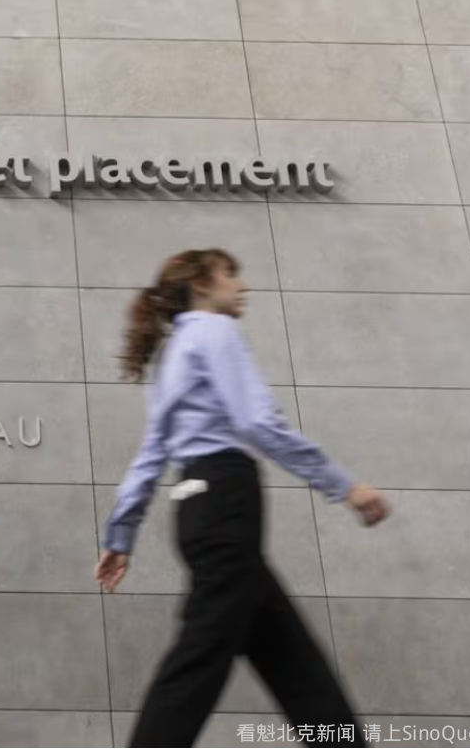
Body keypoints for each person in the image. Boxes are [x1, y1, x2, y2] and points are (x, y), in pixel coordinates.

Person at [95, 248, 390, 748]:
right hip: (227, 505)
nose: (242, 286)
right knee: (199, 659)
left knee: (294, 665)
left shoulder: (173, 354)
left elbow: (151, 453)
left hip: (198, 510)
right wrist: (343, 484)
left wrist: (121, 533)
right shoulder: (216, 331)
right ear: (203, 284)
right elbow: (256, 421)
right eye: (231, 275)